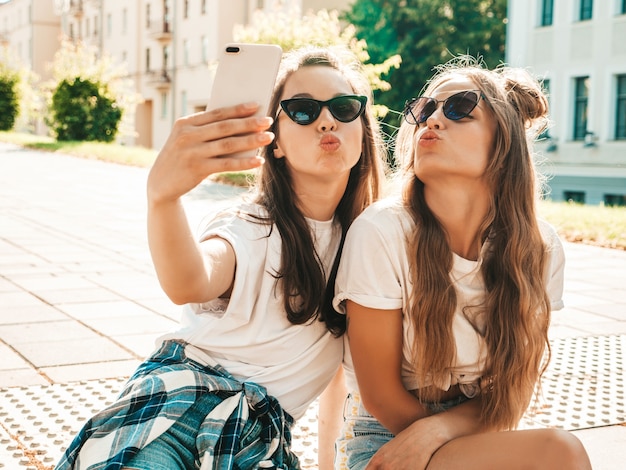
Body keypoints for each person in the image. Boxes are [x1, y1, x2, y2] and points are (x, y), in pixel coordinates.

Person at [55, 46, 386, 470]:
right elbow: (192, 280)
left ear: (363, 128)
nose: (327, 120)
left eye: (343, 107)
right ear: (275, 142)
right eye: (303, 110)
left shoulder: (368, 241)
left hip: (260, 440)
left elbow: (340, 382)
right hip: (180, 406)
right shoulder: (252, 224)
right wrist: (164, 198)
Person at [332, 57, 593, 470]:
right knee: (558, 453)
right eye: (425, 109)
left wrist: (442, 430)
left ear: (503, 145)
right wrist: (433, 435)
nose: (432, 120)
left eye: (459, 110)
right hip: (386, 439)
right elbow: (380, 396)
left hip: (476, 431)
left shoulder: (538, 248)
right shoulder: (381, 231)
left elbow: (514, 392)